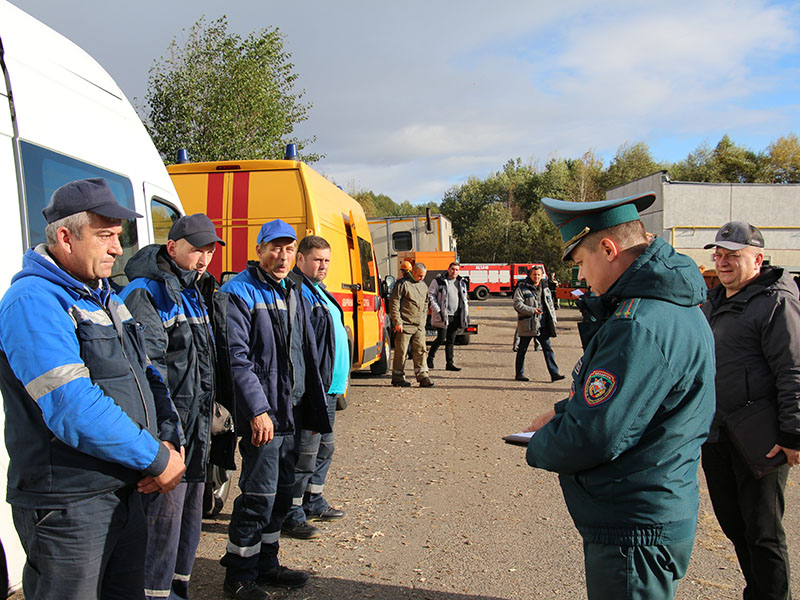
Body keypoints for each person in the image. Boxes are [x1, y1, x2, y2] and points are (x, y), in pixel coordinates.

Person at [0, 178, 185, 600]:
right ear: (65, 237)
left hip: (121, 491)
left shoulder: (104, 297)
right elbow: (72, 406)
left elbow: (146, 373)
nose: (119, 249)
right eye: (106, 236)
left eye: (118, 237)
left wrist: (170, 436)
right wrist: (155, 456)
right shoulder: (33, 300)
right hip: (69, 504)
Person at [525, 193, 716, 600]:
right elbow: (644, 399)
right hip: (651, 511)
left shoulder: (640, 323)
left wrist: (538, 446)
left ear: (608, 249)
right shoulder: (673, 304)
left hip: (634, 526)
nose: (580, 278)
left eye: (580, 263)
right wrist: (562, 410)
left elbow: (596, 435)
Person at [215, 219, 330, 600]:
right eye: (274, 248)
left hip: (292, 412)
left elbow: (305, 354)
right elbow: (237, 360)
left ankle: (267, 563)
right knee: (258, 497)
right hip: (264, 416)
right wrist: (256, 410)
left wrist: (313, 405)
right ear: (260, 249)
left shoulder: (292, 290)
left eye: (288, 249)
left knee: (282, 495)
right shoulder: (238, 292)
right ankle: (240, 574)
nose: (282, 257)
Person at [120, 213, 224, 600]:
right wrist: (166, 438)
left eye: (210, 250)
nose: (203, 258)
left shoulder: (195, 290)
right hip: (170, 435)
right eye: (196, 249)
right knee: (160, 529)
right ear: (172, 246)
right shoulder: (147, 292)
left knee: (188, 523)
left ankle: (178, 590)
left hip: (196, 432)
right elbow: (149, 371)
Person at [700, 221, 800, 600]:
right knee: (734, 525)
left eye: (733, 255)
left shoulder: (776, 302)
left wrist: (793, 433)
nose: (723, 262)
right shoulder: (714, 302)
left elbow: (793, 369)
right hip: (717, 433)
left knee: (763, 531)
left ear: (757, 258)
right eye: (719, 254)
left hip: (759, 436)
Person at [282, 235, 348, 540]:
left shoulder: (319, 291)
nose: (322, 266)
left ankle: (312, 500)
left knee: (326, 446)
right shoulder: (299, 293)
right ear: (301, 260)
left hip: (331, 389)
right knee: (304, 453)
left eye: (326, 260)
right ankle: (291, 513)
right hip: (313, 390)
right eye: (317, 259)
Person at [513, 266, 563, 382]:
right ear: (530, 275)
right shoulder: (522, 288)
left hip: (542, 324)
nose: (536, 277)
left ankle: (554, 373)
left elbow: (550, 305)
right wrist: (532, 310)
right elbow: (517, 304)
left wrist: (553, 319)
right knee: (522, 349)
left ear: (542, 276)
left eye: (539, 275)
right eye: (534, 274)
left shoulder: (545, 288)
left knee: (548, 349)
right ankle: (519, 374)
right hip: (528, 324)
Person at [389, 262, 433, 388]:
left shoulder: (423, 285)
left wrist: (423, 320)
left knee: (420, 350)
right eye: (419, 276)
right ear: (413, 272)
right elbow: (394, 303)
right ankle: (398, 377)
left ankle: (423, 376)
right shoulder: (402, 284)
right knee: (401, 352)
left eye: (423, 276)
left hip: (419, 325)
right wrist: (397, 322)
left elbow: (425, 302)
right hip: (404, 325)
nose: (422, 278)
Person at [427, 262, 469, 371]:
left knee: (451, 340)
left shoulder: (461, 282)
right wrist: (437, 310)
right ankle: (429, 358)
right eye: (453, 269)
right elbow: (431, 295)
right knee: (441, 338)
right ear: (448, 269)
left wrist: (465, 314)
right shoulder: (438, 281)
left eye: (456, 270)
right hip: (443, 315)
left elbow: (464, 299)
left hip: (455, 315)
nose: (454, 271)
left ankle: (449, 363)